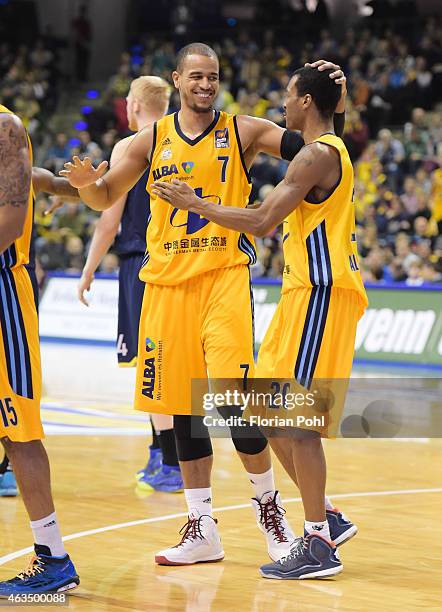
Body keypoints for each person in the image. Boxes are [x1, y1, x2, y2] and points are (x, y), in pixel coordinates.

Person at [60, 45, 354, 567]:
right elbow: (105, 197)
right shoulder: (147, 140)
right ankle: (202, 526)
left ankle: (273, 513)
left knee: (236, 399)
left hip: (223, 279)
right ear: (176, 79)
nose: (205, 84)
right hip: (166, 287)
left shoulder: (244, 131)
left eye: (213, 77)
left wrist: (338, 102)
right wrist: (86, 187)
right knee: (185, 409)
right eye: (196, 76)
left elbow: (318, 143)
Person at [153, 65, 368, 579]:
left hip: (322, 292)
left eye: (290, 98)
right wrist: (338, 93)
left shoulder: (317, 155)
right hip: (299, 292)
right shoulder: (322, 144)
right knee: (262, 409)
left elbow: (261, 221)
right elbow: (331, 114)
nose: (284, 107)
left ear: (308, 104)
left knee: (298, 422)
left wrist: (195, 203)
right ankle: (329, 518)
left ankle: (317, 541)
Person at [76, 76, 183, 492]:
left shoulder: (129, 145)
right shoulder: (182, 140)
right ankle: (165, 455)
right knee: (171, 364)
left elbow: (109, 219)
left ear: (133, 104)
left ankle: (167, 459)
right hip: (178, 261)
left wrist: (88, 270)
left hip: (140, 261)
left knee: (150, 364)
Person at [0, 106, 79, 595]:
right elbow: (32, 177)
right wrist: (59, 186)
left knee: (18, 431)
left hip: (3, 294)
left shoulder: (4, 126)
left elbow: (9, 222)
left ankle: (54, 559)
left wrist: (67, 188)